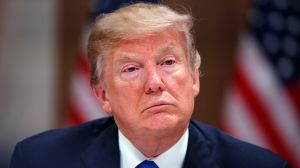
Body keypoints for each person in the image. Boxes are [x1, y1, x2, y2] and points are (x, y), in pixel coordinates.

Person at [10, 3, 290, 168]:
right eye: (131, 69)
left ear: (194, 78)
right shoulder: (40, 160)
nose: (155, 83)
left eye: (168, 62)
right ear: (103, 95)